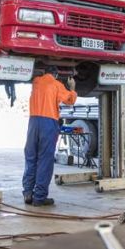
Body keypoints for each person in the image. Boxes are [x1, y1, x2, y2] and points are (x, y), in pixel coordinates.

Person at [22, 66, 77, 206]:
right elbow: (70, 100)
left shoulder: (36, 82)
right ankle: (39, 198)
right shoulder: (56, 84)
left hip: (33, 123)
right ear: (56, 74)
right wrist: (72, 88)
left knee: (31, 157)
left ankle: (28, 193)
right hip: (48, 123)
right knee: (45, 160)